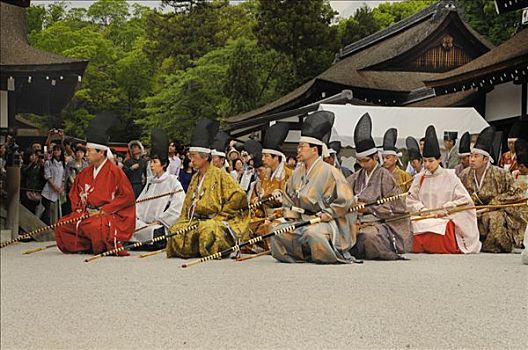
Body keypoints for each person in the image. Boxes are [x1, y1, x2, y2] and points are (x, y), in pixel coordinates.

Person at [271, 111, 357, 264]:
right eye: (298, 147)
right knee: (276, 230)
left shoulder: (331, 171)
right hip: (302, 220)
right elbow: (289, 198)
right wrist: (288, 211)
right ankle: (300, 255)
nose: (298, 150)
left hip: (326, 221)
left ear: (314, 150)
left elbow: (346, 199)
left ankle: (324, 255)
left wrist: (329, 212)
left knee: (313, 233)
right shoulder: (297, 173)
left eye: (302, 147)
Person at [166, 119, 250, 258]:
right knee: (176, 229)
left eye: (193, 156)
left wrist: (221, 216)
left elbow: (239, 195)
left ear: (205, 157)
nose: (190, 160)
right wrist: (183, 220)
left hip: (216, 221)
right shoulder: (195, 178)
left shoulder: (221, 175)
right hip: (197, 220)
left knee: (207, 229)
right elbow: (187, 204)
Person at [54, 112, 136, 255]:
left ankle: (96, 245)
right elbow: (74, 193)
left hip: (108, 214)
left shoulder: (115, 172)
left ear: (101, 153)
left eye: (89, 151)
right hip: (87, 212)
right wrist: (81, 207)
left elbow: (127, 197)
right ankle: (85, 246)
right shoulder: (86, 172)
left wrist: (105, 210)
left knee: (96, 226)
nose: (86, 154)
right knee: (62, 224)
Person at [407, 125, 481, 254]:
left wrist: (447, 208)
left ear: (439, 159)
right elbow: (410, 199)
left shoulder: (450, 176)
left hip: (444, 217)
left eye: (431, 161)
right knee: (412, 224)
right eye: (425, 161)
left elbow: (465, 200)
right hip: (424, 216)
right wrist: (421, 209)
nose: (427, 165)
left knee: (439, 227)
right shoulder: (419, 178)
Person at [347, 114, 411, 260]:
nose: (362, 164)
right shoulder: (356, 176)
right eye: (360, 161)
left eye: (366, 160)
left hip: (380, 222)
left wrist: (368, 208)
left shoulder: (385, 177)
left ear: (376, 157)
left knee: (369, 237)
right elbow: (343, 191)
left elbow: (397, 207)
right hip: (356, 219)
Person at [459, 126, 527, 253]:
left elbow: (517, 193)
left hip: (496, 210)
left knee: (494, 218)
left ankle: (496, 245)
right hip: (472, 209)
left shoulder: (500, 174)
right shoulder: (464, 174)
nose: (472, 159)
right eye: (471, 156)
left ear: (485, 159)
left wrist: (496, 202)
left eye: (476, 156)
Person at [131, 128, 185, 250]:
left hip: (158, 224)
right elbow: (139, 203)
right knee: (130, 224)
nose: (151, 165)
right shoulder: (151, 181)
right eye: (150, 162)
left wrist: (161, 220)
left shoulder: (173, 182)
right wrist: (135, 216)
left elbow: (178, 207)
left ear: (164, 164)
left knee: (154, 231)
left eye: (154, 162)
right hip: (143, 223)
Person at [41, 144, 66, 225]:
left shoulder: (63, 164)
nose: (56, 151)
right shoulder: (48, 163)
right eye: (55, 150)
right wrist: (54, 186)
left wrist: (61, 187)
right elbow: (48, 176)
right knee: (47, 211)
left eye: (58, 150)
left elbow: (64, 177)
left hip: (59, 191)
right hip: (49, 190)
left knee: (57, 212)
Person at [381, 128, 412, 192]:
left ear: (395, 159)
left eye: (387, 158)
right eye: (383, 158)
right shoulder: (379, 175)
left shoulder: (405, 176)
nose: (384, 160)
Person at [63, 144, 89, 215]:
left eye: (81, 152)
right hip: (71, 187)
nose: (79, 154)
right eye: (77, 152)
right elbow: (68, 175)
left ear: (84, 154)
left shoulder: (86, 165)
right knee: (70, 205)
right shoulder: (70, 163)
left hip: (82, 189)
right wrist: (74, 183)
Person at [21, 149, 45, 215]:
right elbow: (25, 172)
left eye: (34, 155)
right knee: (26, 211)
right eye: (31, 155)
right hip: (26, 191)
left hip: (36, 192)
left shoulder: (38, 166)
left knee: (34, 211)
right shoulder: (23, 166)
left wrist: (42, 166)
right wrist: (32, 164)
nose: (33, 156)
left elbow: (42, 176)